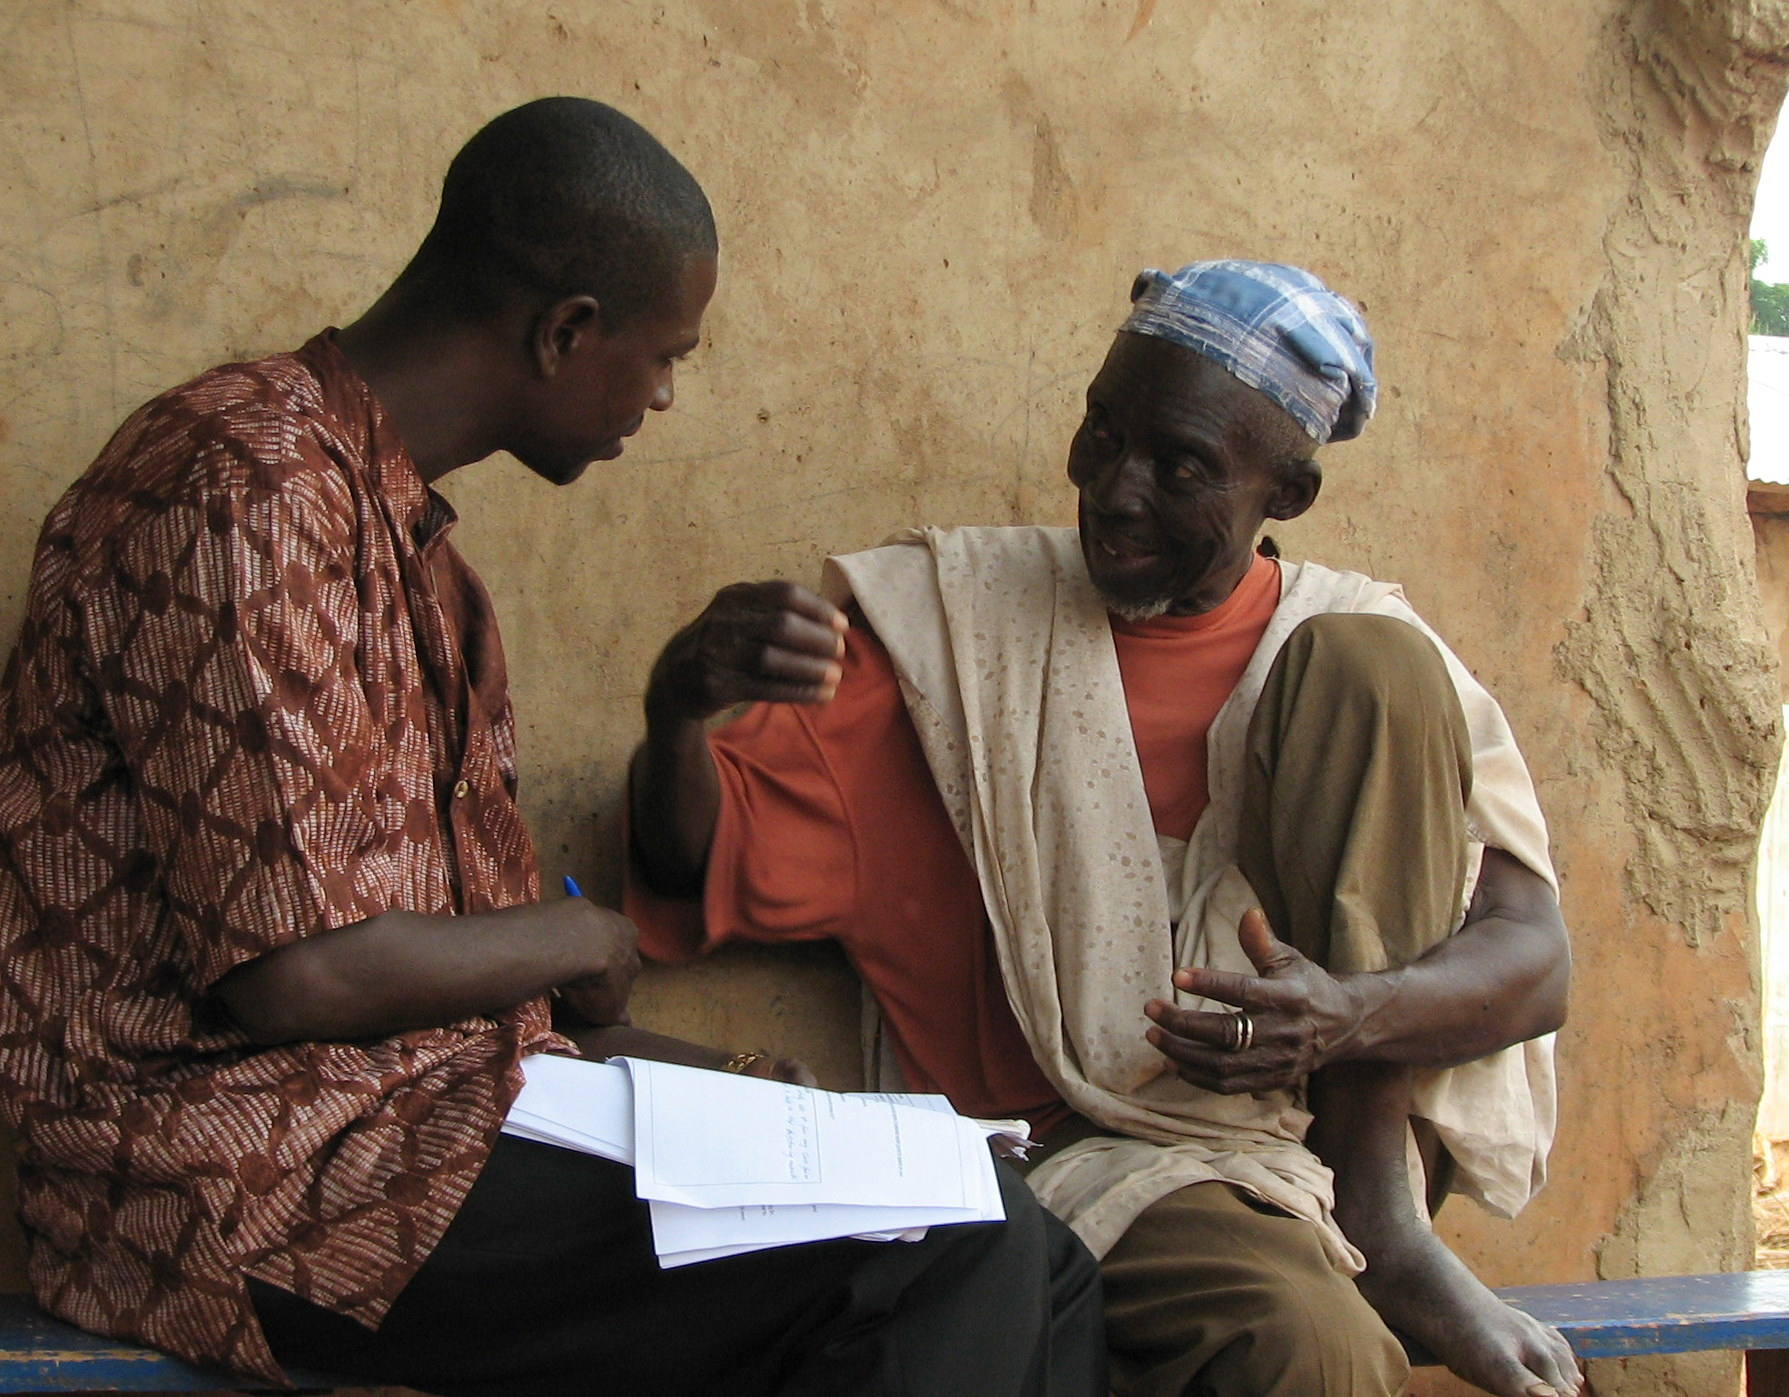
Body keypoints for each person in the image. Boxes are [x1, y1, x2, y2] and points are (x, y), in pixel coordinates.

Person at [0, 97, 1103, 1397]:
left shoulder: (419, 562)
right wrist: (585, 938)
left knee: (1036, 1252)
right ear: (566, 330)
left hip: (417, 1128)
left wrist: (739, 1088)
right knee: (943, 1256)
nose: (665, 394)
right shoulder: (245, 487)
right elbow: (298, 980)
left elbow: (472, 1006)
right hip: (232, 1181)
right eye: (662, 355)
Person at [628, 260, 1584, 1397]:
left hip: (1304, 1144)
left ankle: (1383, 1215)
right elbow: (691, 856)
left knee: (1377, 670)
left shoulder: (1356, 638)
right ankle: (1340, 1256)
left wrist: (1348, 1017)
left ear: (1289, 491)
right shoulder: (956, 643)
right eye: (1099, 435)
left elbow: (1533, 963)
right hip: (1072, 1152)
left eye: (1180, 466)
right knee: (1307, 1350)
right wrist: (677, 709)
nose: (1114, 491)